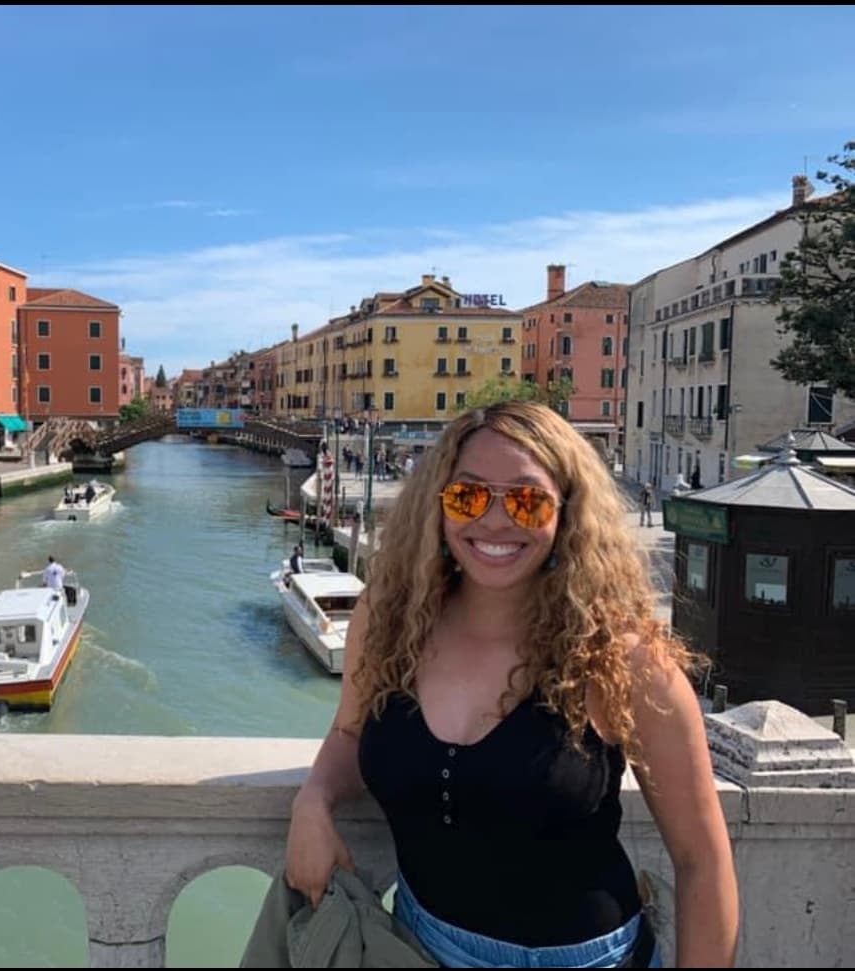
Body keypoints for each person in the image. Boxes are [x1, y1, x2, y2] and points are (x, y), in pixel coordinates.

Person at [283, 401, 737, 968]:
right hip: (416, 946)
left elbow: (701, 861)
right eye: (469, 496)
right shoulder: (389, 620)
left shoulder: (620, 660)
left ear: (566, 514)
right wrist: (314, 801)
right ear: (438, 507)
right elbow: (351, 730)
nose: (496, 521)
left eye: (527, 501)